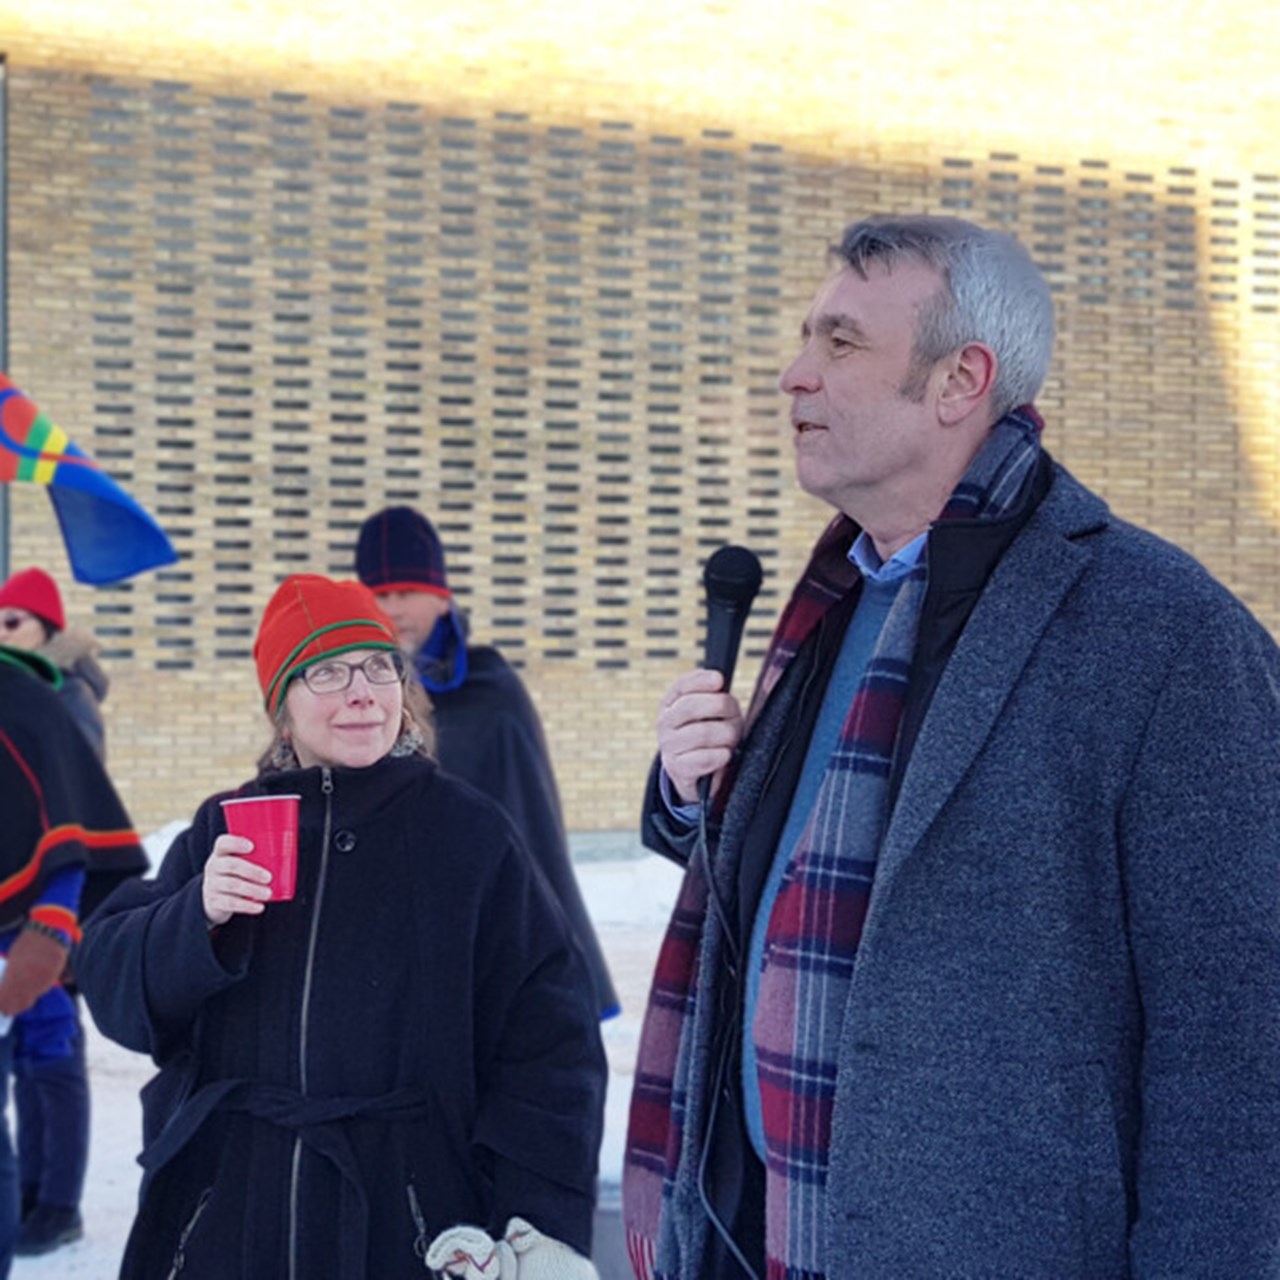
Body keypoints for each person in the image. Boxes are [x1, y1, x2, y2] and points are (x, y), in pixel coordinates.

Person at [622, 214, 1280, 1279]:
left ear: (956, 380)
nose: (792, 375)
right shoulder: (839, 595)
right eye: (805, 338)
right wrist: (691, 795)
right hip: (766, 1236)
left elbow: (1236, 1052)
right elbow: (797, 892)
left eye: (839, 343)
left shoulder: (1163, 634)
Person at [76, 574, 607, 1279]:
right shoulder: (222, 828)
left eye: (377, 666)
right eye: (326, 672)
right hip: (230, 1217)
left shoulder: (469, 836)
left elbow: (550, 1042)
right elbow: (114, 988)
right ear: (283, 710)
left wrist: (534, 1224)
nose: (361, 692)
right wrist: (194, 917)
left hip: (412, 1224)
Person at [356, 506, 619, 1019]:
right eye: (380, 595)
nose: (395, 608)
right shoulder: (353, 693)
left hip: (483, 926)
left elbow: (527, 830)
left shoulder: (490, 690)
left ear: (441, 595)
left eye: (407, 591)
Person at [0, 636, 147, 1279]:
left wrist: (54, 926)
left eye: (17, 619)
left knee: (52, 1063)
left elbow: (71, 812)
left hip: (25, 934)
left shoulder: (30, 696)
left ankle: (54, 1203)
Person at [0, 565, 110, 1255]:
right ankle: (37, 1191)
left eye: (13, 623)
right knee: (29, 1053)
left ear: (47, 628)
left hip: (50, 903)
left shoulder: (65, 699)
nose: (1, 635)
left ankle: (59, 1202)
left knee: (52, 1049)